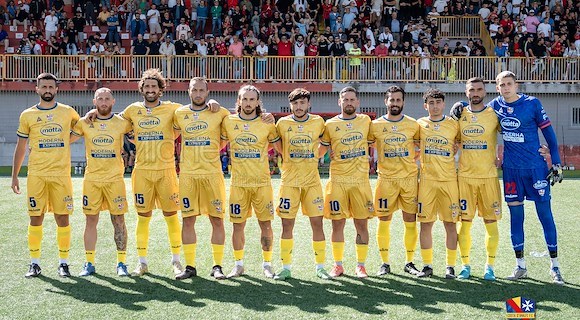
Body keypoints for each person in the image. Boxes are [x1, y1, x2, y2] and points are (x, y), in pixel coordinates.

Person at [453, 71, 564, 284]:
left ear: (516, 85)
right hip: (511, 170)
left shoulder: (532, 103)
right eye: (501, 85)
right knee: (516, 218)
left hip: (535, 169)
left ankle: (555, 266)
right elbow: (474, 106)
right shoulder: (495, 107)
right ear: (496, 88)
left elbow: (548, 133)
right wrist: (458, 103)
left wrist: (555, 159)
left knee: (545, 216)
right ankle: (520, 265)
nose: (505, 88)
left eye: (509, 84)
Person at [12, 73, 80, 278]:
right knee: (35, 218)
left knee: (62, 217)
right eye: (44, 87)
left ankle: (64, 263)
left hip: (61, 174)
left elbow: (82, 127)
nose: (47, 90)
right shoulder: (27, 115)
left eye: (51, 87)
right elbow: (21, 146)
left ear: (56, 89)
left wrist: (65, 141)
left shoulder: (68, 112)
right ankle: (34, 263)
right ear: (37, 89)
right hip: (37, 175)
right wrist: (14, 175)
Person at [119, 69, 184, 276]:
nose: (150, 90)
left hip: (166, 170)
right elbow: (114, 122)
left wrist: (212, 105)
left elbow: (193, 113)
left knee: (171, 216)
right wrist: (93, 113)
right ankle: (142, 263)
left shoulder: (172, 108)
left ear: (160, 89)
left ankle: (176, 261)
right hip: (142, 171)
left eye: (153, 86)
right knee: (143, 217)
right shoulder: (132, 110)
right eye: (146, 86)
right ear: (141, 89)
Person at [172, 77, 230, 280]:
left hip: (212, 175)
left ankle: (217, 266)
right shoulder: (180, 113)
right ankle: (190, 266)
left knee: (217, 220)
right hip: (188, 175)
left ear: (207, 92)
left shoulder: (219, 112)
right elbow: (169, 132)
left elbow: (228, 135)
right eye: (194, 90)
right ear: (188, 91)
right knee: (188, 220)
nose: (198, 94)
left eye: (201, 90)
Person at [70, 88, 132, 277]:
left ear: (113, 101)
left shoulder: (122, 123)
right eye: (100, 99)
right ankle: (89, 263)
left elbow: (142, 129)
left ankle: (121, 263)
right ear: (94, 101)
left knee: (119, 220)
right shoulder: (84, 123)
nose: (103, 102)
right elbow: (66, 140)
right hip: (92, 180)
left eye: (107, 99)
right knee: (90, 220)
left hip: (115, 179)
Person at [272, 88, 331, 281]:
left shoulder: (318, 122)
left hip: (311, 182)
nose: (299, 107)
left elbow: (326, 143)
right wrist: (286, 155)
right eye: (295, 103)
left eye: (302, 103)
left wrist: (317, 155)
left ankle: (321, 267)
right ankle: (286, 268)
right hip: (289, 182)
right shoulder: (282, 123)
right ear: (291, 105)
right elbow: (278, 146)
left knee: (317, 224)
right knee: (287, 225)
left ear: (309, 104)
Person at [319, 86, 374, 278]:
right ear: (339, 102)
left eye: (352, 100)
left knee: (361, 225)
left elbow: (377, 141)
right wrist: (325, 157)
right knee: (337, 225)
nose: (349, 103)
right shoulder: (330, 125)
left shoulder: (366, 121)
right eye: (345, 99)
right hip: (338, 182)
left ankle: (361, 265)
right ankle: (338, 265)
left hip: (360, 182)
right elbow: (321, 151)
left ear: (357, 102)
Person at [368, 86, 421, 276]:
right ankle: (385, 263)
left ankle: (409, 262)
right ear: (386, 101)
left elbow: (421, 144)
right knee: (383, 221)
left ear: (403, 102)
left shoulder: (413, 124)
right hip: (386, 180)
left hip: (408, 180)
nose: (395, 103)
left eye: (398, 100)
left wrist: (412, 159)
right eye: (392, 100)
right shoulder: (375, 125)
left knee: (410, 220)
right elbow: (366, 143)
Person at [452, 78, 502, 281]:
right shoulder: (459, 115)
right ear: (466, 93)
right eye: (472, 89)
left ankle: (489, 266)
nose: (475, 92)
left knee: (491, 222)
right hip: (465, 177)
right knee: (465, 224)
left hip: (488, 177)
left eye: (479, 89)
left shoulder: (494, 115)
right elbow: (451, 140)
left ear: (485, 92)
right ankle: (465, 265)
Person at [416, 88, 460, 279]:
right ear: (425, 106)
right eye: (431, 103)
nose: (434, 107)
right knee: (426, 225)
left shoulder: (453, 125)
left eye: (438, 102)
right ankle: (427, 265)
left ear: (444, 104)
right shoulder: (419, 124)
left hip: (449, 181)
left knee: (450, 224)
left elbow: (460, 143)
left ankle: (450, 266)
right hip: (427, 181)